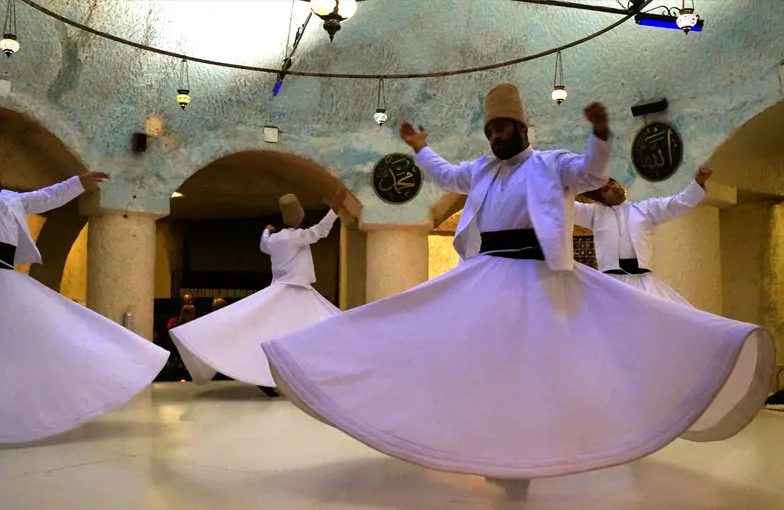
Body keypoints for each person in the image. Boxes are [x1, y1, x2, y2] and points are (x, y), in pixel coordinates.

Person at [261, 83, 774, 500]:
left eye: (503, 126)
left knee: (545, 366)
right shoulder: (483, 169)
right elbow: (446, 174)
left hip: (541, 276)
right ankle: (497, 455)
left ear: (522, 127)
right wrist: (422, 149)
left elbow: (591, 172)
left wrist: (600, 135)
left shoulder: (551, 164)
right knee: (466, 353)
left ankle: (536, 455)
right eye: (490, 129)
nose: (496, 135)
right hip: (488, 273)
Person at [0, 92, 170, 443]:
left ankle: (3, 411)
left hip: (5, 284)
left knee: (25, 345)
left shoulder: (12, 200)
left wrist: (79, 183)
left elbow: (45, 197)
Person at [170, 189, 346, 398]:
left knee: (269, 333)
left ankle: (286, 377)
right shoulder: (296, 237)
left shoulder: (275, 239)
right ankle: (307, 376)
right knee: (314, 331)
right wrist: (334, 208)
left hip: (283, 289)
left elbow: (264, 245)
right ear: (299, 217)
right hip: (294, 291)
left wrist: (266, 230)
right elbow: (320, 231)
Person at [574, 168, 712, 305]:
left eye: (612, 183)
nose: (612, 187)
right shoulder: (595, 214)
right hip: (610, 282)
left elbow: (677, 204)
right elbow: (568, 208)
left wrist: (698, 182)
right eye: (606, 189)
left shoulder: (645, 209)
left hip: (643, 282)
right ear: (603, 197)